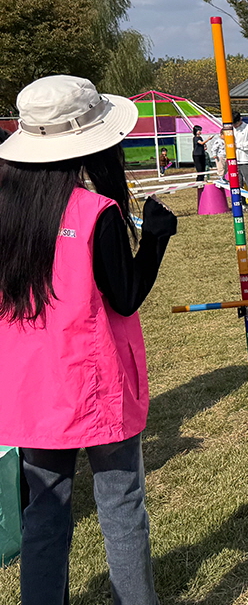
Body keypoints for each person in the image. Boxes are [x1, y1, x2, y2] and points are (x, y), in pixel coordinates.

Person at [0, 75, 178, 604]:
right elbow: (125, 296)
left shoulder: (7, 209)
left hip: (31, 385)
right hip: (95, 380)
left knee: (45, 509)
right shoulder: (93, 212)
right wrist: (156, 240)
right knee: (121, 505)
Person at [231, 110, 248, 196]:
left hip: (245, 159)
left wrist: (239, 145)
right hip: (234, 159)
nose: (235, 126)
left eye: (236, 123)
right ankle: (241, 201)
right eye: (233, 124)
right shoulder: (231, 129)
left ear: (240, 119)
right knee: (237, 183)